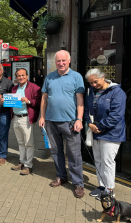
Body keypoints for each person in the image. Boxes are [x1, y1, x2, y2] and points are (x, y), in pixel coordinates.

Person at [39, 50, 85, 198]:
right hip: (51, 121)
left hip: (70, 122)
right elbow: (44, 99)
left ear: (69, 60)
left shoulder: (76, 77)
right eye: (58, 61)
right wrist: (42, 117)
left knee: (74, 154)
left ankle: (78, 183)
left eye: (63, 60)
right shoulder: (49, 77)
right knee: (55, 151)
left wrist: (79, 119)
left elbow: (80, 100)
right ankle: (61, 176)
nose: (61, 63)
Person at [84, 68, 126, 199]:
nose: (93, 85)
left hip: (112, 133)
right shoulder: (91, 92)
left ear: (103, 77)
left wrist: (100, 126)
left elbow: (117, 115)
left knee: (107, 161)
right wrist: (89, 124)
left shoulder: (117, 92)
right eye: (91, 83)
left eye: (95, 82)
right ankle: (101, 186)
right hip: (96, 131)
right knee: (98, 160)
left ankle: (109, 190)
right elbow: (86, 110)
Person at [2, 68, 41, 175]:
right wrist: (4, 100)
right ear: (16, 77)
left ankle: (28, 165)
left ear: (27, 76)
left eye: (23, 75)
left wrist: (28, 101)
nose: (21, 77)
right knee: (20, 142)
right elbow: (11, 101)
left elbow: (39, 102)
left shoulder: (34, 87)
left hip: (26, 118)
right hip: (16, 117)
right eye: (18, 76)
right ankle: (22, 161)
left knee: (29, 143)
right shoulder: (14, 88)